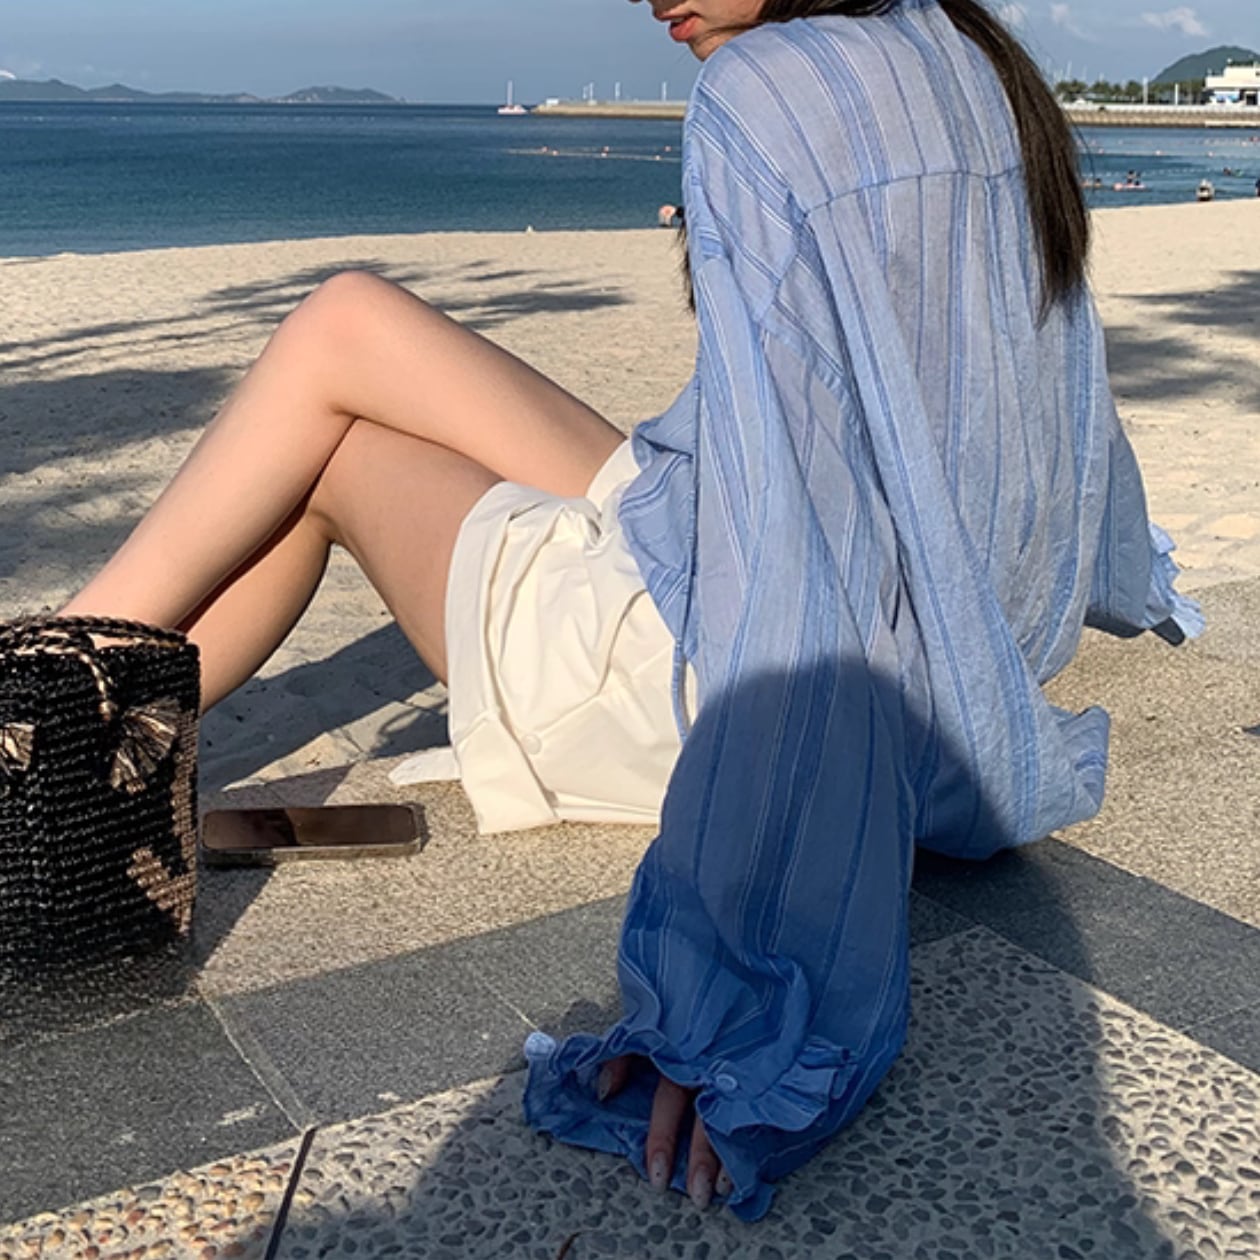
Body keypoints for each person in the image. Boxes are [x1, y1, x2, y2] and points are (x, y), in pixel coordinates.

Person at [57, 0, 1200, 1223]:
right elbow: (1063, 433)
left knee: (329, 448)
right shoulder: (980, 60)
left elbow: (786, 583)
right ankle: (50, 704)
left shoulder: (765, 88)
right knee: (354, 322)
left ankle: (41, 724)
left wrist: (733, 1005)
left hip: (734, 677)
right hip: (909, 646)